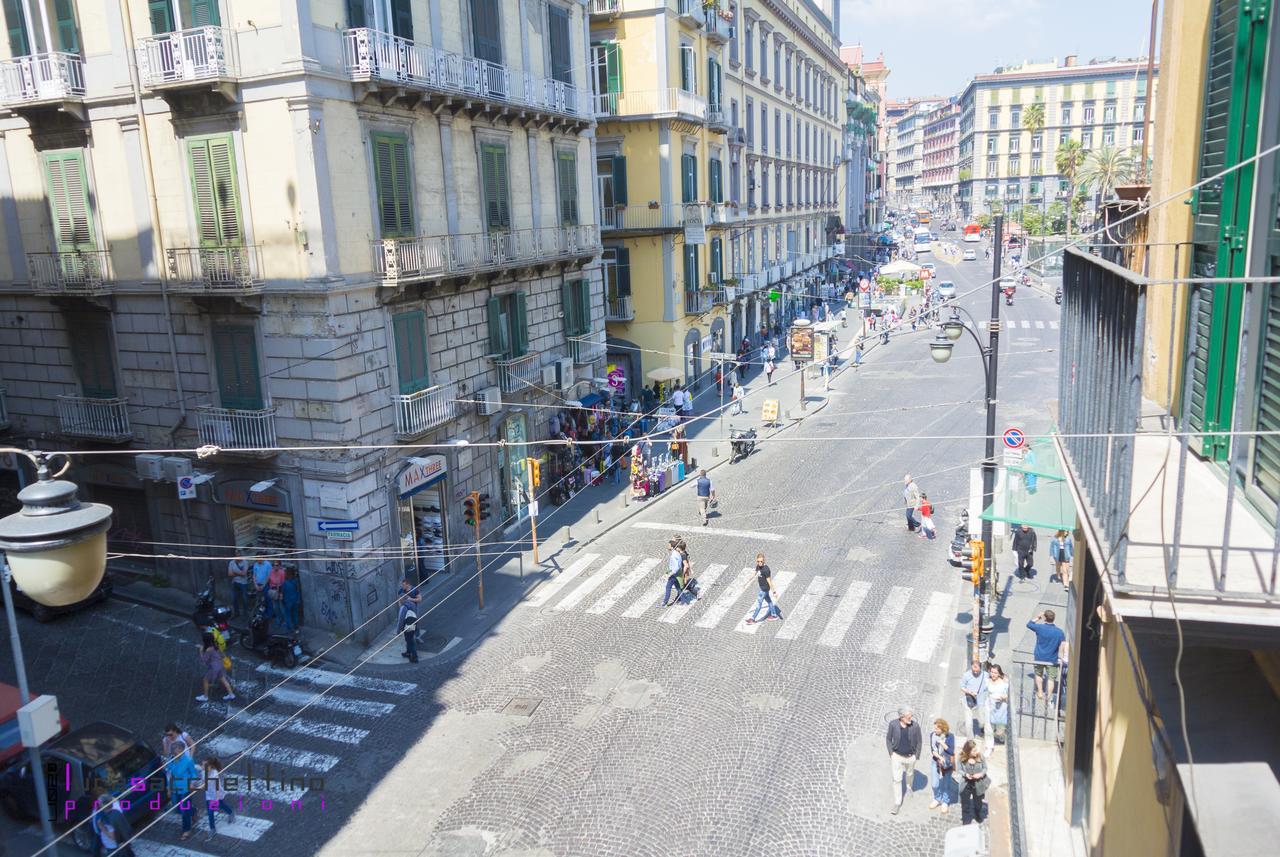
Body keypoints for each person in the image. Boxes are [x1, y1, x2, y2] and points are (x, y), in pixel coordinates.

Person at [886, 706, 922, 815]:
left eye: (911, 716)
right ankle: (897, 802)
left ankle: (909, 786)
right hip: (897, 756)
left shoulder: (915, 726)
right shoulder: (893, 724)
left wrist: (916, 756)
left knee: (909, 774)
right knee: (897, 780)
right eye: (908, 717)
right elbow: (888, 739)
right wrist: (891, 753)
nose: (911, 719)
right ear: (902, 717)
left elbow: (920, 742)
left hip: (910, 757)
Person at [1027, 610, 1067, 701]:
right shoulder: (1059, 632)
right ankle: (1048, 696)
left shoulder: (1040, 628)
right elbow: (1063, 644)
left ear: (1045, 618)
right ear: (1053, 619)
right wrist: (1060, 656)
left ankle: (1040, 692)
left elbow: (1029, 624)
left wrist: (1038, 617)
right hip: (1052, 658)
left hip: (1039, 656)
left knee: (1038, 674)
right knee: (1051, 679)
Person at [167, 741, 200, 841]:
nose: (174, 753)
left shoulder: (188, 760)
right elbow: (170, 774)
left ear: (181, 750)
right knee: (177, 809)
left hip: (185, 788)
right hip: (175, 788)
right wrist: (169, 788)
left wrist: (191, 783)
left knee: (185, 810)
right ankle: (193, 811)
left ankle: (187, 830)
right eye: (173, 751)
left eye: (175, 751)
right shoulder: (171, 760)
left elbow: (194, 774)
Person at [195, 633, 235, 703]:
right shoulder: (216, 645)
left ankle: (205, 697)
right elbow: (222, 654)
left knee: (205, 680)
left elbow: (204, 660)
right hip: (221, 665)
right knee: (223, 679)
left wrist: (201, 652)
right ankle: (231, 694)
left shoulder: (208, 649)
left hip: (214, 668)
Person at [203, 756, 236, 836]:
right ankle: (213, 828)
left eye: (204, 765)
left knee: (218, 806)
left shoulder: (214, 775)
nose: (202, 767)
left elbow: (217, 787)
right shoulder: (203, 771)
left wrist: (216, 799)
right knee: (212, 811)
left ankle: (230, 813)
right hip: (208, 794)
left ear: (211, 767)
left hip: (215, 795)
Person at [958, 740, 989, 825]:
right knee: (965, 804)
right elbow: (959, 769)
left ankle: (977, 813)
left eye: (976, 749)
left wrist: (980, 774)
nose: (976, 751)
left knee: (978, 802)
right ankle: (966, 820)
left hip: (978, 783)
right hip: (966, 783)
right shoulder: (962, 757)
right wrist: (965, 774)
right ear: (968, 751)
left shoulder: (980, 756)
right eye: (974, 750)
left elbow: (985, 768)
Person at [744, 553, 781, 625]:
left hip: (764, 590)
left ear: (764, 561)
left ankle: (753, 619)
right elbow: (754, 574)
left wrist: (774, 592)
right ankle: (774, 615)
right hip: (763, 588)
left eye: (761, 561)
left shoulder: (766, 570)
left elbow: (769, 581)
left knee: (758, 604)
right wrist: (746, 583)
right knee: (769, 602)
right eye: (758, 561)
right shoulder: (758, 566)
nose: (759, 563)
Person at [928, 718, 956, 814]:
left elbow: (951, 751)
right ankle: (937, 798)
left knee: (946, 784)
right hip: (936, 760)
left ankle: (945, 801)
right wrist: (940, 757)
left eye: (937, 729)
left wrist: (942, 743)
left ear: (943, 729)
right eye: (935, 728)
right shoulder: (932, 735)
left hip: (946, 763)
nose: (935, 730)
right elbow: (933, 750)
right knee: (935, 784)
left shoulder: (950, 737)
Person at [959, 660, 989, 738]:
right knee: (968, 724)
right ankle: (970, 740)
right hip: (968, 701)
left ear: (980, 668)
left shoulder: (985, 675)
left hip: (981, 701)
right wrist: (970, 692)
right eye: (973, 670)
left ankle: (983, 729)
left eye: (977, 671)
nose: (975, 672)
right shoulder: (966, 675)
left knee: (982, 721)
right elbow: (962, 687)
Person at [985, 664, 1009, 754]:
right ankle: (989, 746)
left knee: (1000, 727)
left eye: (995, 673)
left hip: (1001, 707)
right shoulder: (987, 681)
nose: (993, 674)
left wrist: (1004, 697)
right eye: (992, 672)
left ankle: (1001, 735)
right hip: (989, 706)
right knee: (988, 727)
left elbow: (1009, 695)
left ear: (999, 673)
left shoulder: (1004, 683)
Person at [396, 578, 422, 662]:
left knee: (409, 639)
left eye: (403, 585)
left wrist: (398, 631)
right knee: (408, 638)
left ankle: (414, 657)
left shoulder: (414, 591)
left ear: (408, 584)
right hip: (410, 619)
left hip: (410, 620)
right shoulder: (401, 593)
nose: (402, 586)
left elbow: (419, 599)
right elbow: (399, 601)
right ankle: (408, 652)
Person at [661, 538, 684, 608]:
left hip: (674, 575)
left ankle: (664, 603)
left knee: (668, 587)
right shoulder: (676, 553)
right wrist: (667, 572)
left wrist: (670, 574)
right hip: (677, 574)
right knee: (678, 587)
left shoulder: (674, 556)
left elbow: (676, 567)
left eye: (669, 545)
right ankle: (683, 599)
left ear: (672, 546)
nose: (667, 546)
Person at [226, 553, 249, 618]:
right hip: (234, 582)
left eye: (240, 556)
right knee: (234, 598)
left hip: (243, 583)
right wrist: (240, 573)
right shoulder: (231, 562)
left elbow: (244, 574)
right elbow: (229, 574)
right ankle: (236, 613)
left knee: (245, 598)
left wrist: (235, 573)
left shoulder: (245, 562)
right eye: (237, 556)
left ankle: (245, 613)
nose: (238, 557)